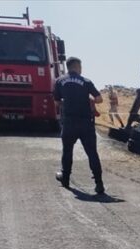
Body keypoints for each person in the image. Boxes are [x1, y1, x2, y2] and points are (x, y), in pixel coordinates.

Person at [53, 56, 105, 195]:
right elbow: (99, 99)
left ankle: (65, 178)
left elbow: (57, 102)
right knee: (92, 153)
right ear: (76, 67)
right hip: (86, 123)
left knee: (67, 151)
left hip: (69, 122)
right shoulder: (86, 81)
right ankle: (99, 183)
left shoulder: (59, 81)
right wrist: (90, 100)